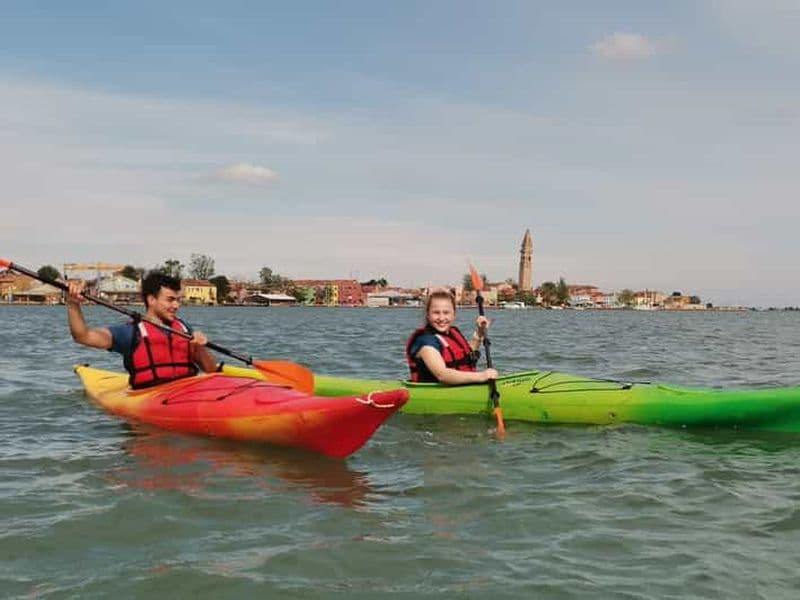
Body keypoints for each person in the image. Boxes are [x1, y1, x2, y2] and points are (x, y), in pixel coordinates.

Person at [66, 272, 218, 389]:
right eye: (170, 300)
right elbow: (83, 336)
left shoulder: (185, 329)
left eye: (178, 300)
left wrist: (200, 347)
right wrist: (73, 304)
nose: (177, 305)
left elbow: (211, 370)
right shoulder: (131, 332)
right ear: (151, 300)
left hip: (187, 390)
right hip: (151, 395)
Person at [405, 289, 499, 384]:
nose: (441, 318)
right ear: (428, 315)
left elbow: (467, 355)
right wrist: (482, 376)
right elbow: (442, 375)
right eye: (436, 313)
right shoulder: (425, 342)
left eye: (446, 313)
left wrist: (480, 332)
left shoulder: (452, 333)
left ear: (454, 315)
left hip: (460, 388)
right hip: (435, 394)